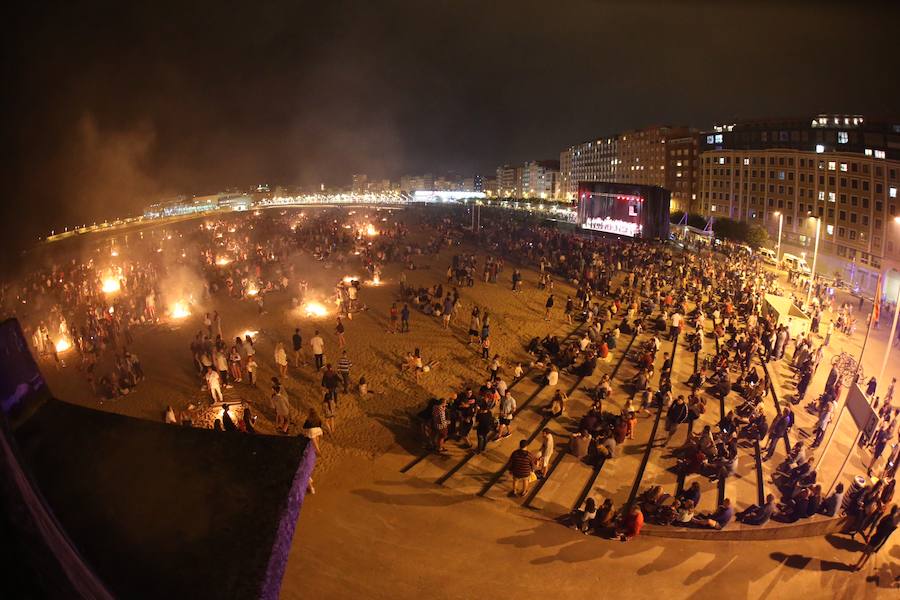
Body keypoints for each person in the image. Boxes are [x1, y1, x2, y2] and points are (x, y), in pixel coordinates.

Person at [853, 504, 898, 570]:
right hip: (879, 540)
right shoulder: (892, 522)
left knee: (865, 552)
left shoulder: (886, 518)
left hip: (876, 537)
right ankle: (861, 566)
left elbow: (879, 526)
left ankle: (856, 566)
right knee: (868, 554)